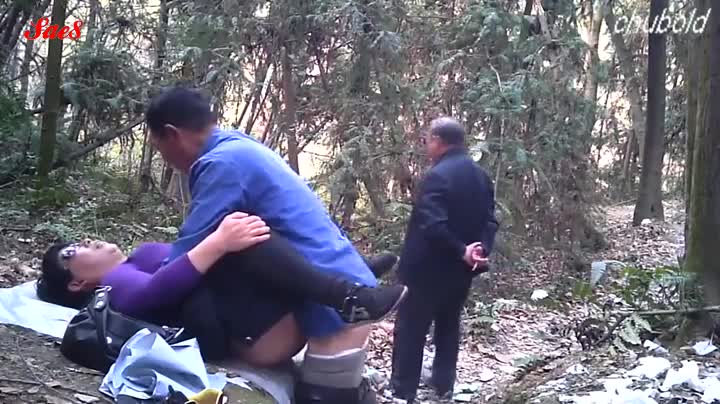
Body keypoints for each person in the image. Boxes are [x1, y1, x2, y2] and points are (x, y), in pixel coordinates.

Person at [144, 87, 405, 404]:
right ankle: (357, 269)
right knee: (234, 236)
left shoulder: (220, 164)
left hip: (324, 310)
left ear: (172, 135)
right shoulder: (241, 146)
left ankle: (347, 290)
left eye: (159, 148)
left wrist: (156, 280)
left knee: (235, 236)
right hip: (338, 277)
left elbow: (185, 257)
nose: (165, 160)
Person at [390, 117, 498, 404]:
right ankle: (443, 386)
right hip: (462, 270)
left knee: (411, 327)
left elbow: (432, 225)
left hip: (427, 270)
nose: (426, 145)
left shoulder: (437, 176)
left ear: (438, 140)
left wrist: (461, 249)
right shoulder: (481, 176)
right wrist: (480, 250)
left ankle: (403, 390)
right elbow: (490, 221)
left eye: (427, 139)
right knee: (449, 325)